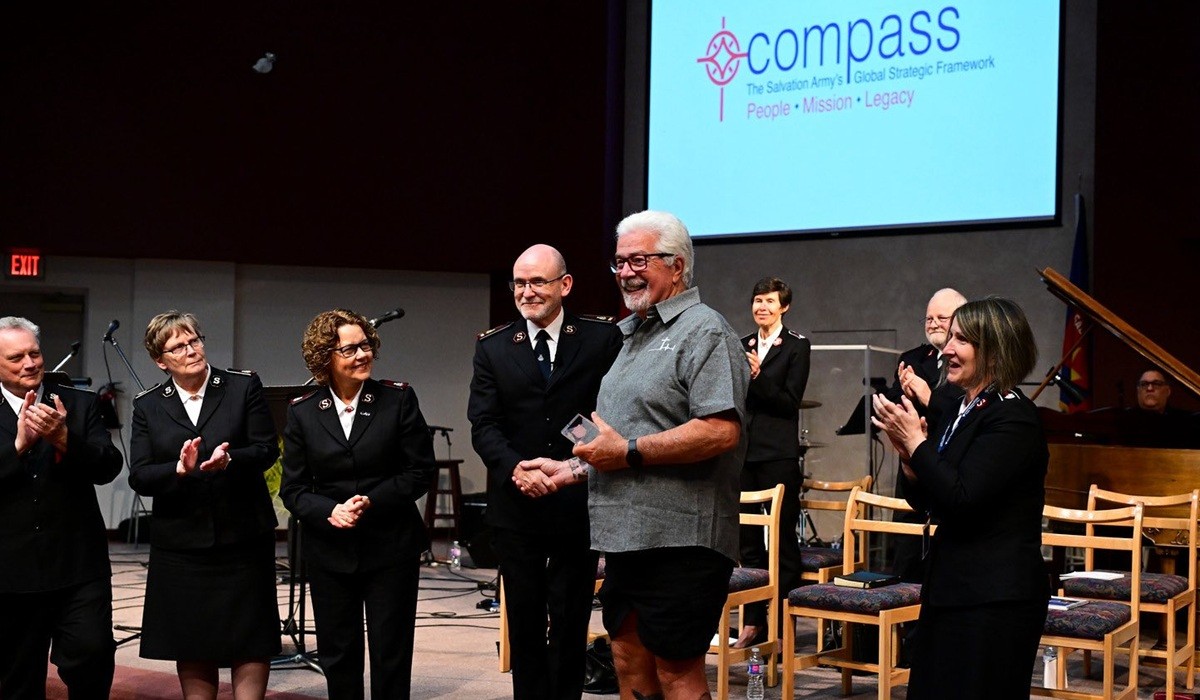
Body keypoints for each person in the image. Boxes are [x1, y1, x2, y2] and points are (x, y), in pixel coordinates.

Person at [524, 210, 749, 699]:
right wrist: (567, 469)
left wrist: (624, 451)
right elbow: (619, 441)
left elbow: (719, 431)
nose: (625, 272)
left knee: (677, 671)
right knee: (627, 661)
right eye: (619, 262)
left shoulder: (705, 332)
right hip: (625, 539)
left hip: (681, 541)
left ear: (677, 265)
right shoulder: (631, 337)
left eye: (639, 260)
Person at [871, 297, 1049, 699]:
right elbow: (933, 500)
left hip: (993, 599)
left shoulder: (1012, 416)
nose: (947, 349)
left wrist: (917, 443)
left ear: (994, 350)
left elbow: (964, 498)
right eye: (949, 337)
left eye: (961, 340)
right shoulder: (965, 408)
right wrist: (910, 461)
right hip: (953, 587)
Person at [468, 244, 622, 700]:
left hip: (578, 499)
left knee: (572, 618)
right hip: (517, 504)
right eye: (519, 282)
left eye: (537, 282)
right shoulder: (493, 347)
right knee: (525, 620)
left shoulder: (600, 338)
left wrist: (573, 468)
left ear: (564, 285)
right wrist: (517, 468)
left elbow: (612, 414)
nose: (527, 291)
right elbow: (484, 424)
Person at [280, 309, 436, 700]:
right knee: (339, 652)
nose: (362, 354)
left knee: (390, 652)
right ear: (324, 358)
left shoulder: (397, 399)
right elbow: (294, 489)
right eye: (349, 349)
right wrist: (329, 510)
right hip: (330, 549)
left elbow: (419, 472)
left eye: (365, 345)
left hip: (391, 545)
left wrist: (372, 500)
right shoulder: (302, 411)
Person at [128, 312, 281, 700]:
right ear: (160, 361)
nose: (190, 350)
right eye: (177, 346)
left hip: (243, 532)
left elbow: (265, 449)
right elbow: (141, 475)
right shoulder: (148, 405)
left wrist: (231, 461)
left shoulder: (241, 386)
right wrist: (178, 469)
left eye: (194, 340)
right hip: (181, 541)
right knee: (192, 639)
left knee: (250, 636)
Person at [0, 316, 122, 699]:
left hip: (78, 564)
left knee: (92, 654)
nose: (30, 364)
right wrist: (18, 446)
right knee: (16, 679)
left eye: (34, 353)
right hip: (10, 572)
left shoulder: (79, 404)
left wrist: (65, 438)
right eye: (16, 357)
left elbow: (108, 466)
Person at [735, 276, 810, 649]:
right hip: (746, 453)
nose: (761, 307)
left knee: (781, 541)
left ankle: (781, 624)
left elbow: (788, 401)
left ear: (784, 307)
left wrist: (758, 376)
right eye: (757, 300)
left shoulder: (797, 346)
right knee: (748, 542)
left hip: (778, 455)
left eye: (768, 301)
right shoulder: (742, 344)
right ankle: (751, 622)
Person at [885, 287, 967, 584]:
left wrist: (926, 394)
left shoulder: (972, 366)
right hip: (913, 467)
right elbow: (893, 404)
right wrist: (904, 395)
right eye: (928, 318)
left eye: (941, 317)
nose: (932, 323)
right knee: (907, 552)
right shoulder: (912, 358)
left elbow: (964, 412)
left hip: (950, 467)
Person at [1118, 368, 1198, 449]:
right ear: (1138, 390)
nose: (1149, 388)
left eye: (1156, 384)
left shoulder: (1186, 423)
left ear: (1168, 391)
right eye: (1144, 384)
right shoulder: (1121, 422)